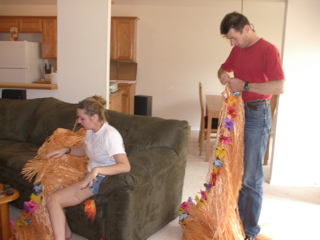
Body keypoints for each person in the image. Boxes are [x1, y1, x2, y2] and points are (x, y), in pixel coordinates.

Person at [217, 12, 285, 240]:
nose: (231, 43)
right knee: (236, 169)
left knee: (251, 176)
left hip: (257, 113)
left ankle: (250, 231)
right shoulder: (237, 49)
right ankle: (237, 220)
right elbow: (222, 68)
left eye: (233, 37)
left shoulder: (268, 49)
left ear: (246, 29)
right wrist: (224, 74)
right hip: (239, 112)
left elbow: (278, 86)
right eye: (229, 39)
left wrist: (245, 85)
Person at [45, 95, 130, 240]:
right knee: (50, 188)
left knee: (54, 200)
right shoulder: (91, 131)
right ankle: (65, 234)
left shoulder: (110, 136)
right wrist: (65, 150)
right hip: (88, 173)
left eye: (81, 118)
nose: (78, 122)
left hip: (100, 179)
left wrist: (97, 170)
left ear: (94, 117)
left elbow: (125, 166)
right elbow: (84, 149)